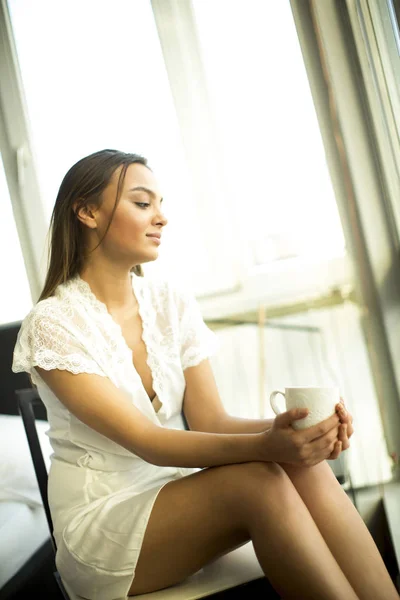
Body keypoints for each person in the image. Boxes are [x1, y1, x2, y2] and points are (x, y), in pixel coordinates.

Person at [12, 149, 399, 600]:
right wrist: (267, 445)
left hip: (173, 498)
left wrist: (301, 434)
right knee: (258, 481)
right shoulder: (52, 324)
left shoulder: (169, 302)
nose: (161, 218)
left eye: (161, 204)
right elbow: (149, 442)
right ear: (87, 212)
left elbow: (212, 421)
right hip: (102, 523)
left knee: (301, 464)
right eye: (142, 203)